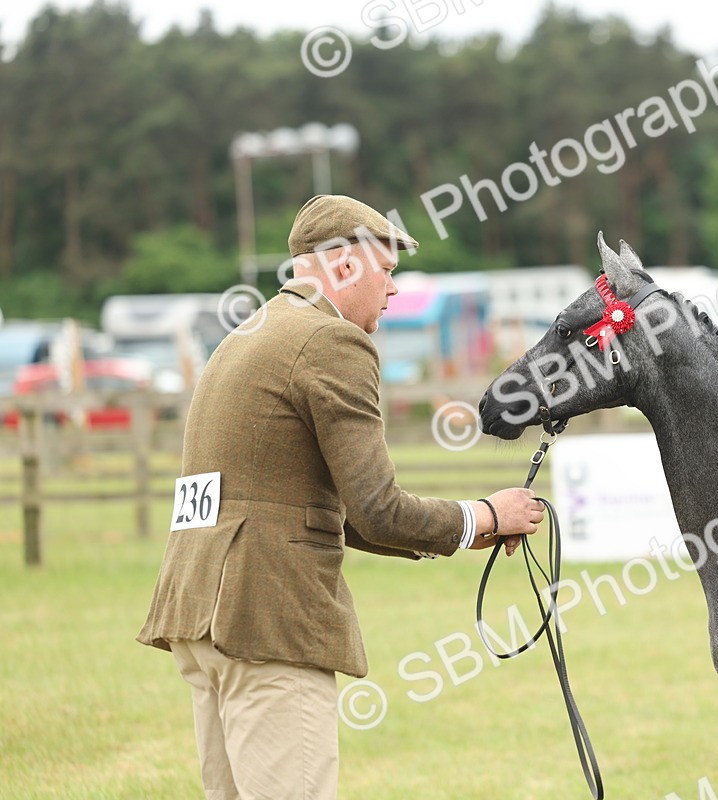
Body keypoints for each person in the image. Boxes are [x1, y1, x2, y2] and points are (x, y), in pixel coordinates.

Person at [137, 194, 544, 799]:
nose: (393, 288)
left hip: (200, 614)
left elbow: (323, 507)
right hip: (268, 619)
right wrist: (484, 514)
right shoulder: (331, 341)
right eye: (387, 271)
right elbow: (377, 508)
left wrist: (467, 530)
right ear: (346, 265)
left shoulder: (246, 336)